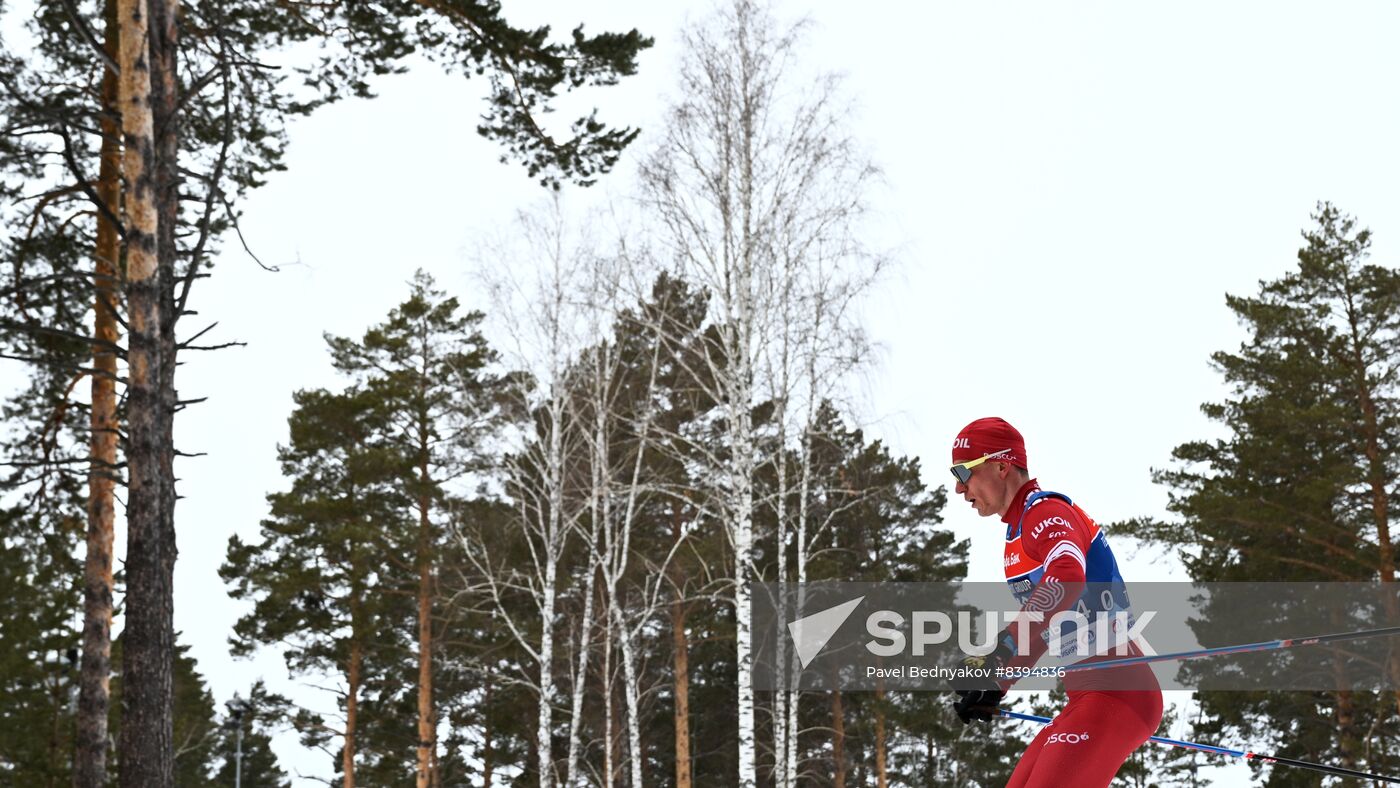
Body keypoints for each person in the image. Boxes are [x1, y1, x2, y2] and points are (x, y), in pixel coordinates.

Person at [948, 417, 1162, 788]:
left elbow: (1066, 578)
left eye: (963, 472)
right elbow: (1051, 623)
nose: (958, 487)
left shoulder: (1044, 512)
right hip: (1086, 694)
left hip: (1118, 690)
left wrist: (1005, 644)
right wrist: (999, 682)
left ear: (1001, 465)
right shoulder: (1018, 535)